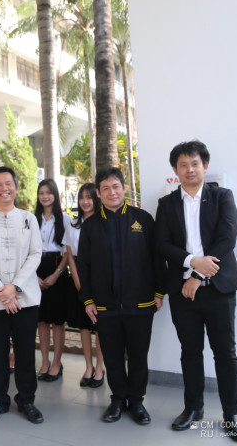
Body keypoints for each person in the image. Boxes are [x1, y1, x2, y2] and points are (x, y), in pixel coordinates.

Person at [155, 140, 237, 442]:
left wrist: (196, 275)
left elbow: (227, 239)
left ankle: (232, 414)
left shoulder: (221, 197)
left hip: (218, 289)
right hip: (183, 293)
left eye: (195, 163)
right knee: (190, 352)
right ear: (175, 170)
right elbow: (162, 244)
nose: (190, 169)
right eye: (183, 165)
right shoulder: (167, 204)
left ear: (204, 166)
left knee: (225, 352)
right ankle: (193, 408)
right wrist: (191, 261)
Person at [77, 168, 164, 425]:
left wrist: (159, 292)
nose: (111, 192)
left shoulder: (143, 219)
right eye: (105, 188)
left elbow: (157, 259)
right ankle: (117, 400)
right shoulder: (91, 225)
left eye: (116, 186)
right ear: (99, 193)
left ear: (124, 188)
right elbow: (84, 266)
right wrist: (88, 300)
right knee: (113, 356)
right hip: (106, 305)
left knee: (138, 356)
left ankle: (136, 401)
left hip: (141, 303)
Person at [0, 166, 44, 425]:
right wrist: (1, 291)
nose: (4, 188)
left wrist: (15, 287)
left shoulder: (28, 218)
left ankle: (27, 400)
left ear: (16, 187)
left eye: (8, 183)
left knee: (25, 352)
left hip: (25, 299)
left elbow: (35, 254)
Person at [62, 183, 105, 388]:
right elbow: (70, 255)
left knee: (100, 326)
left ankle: (100, 367)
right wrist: (77, 280)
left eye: (89, 197)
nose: (85, 202)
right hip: (78, 276)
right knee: (84, 326)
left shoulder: (103, 222)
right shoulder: (73, 224)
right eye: (82, 197)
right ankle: (88, 366)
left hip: (100, 275)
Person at [35, 178, 71, 382]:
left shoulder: (65, 219)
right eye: (41, 193)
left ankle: (57, 362)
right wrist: (34, 275)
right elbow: (26, 250)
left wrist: (56, 274)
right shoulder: (32, 219)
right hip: (36, 269)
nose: (45, 196)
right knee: (41, 319)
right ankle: (45, 361)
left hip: (57, 268)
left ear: (55, 195)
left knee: (57, 321)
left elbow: (68, 252)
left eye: (49, 192)